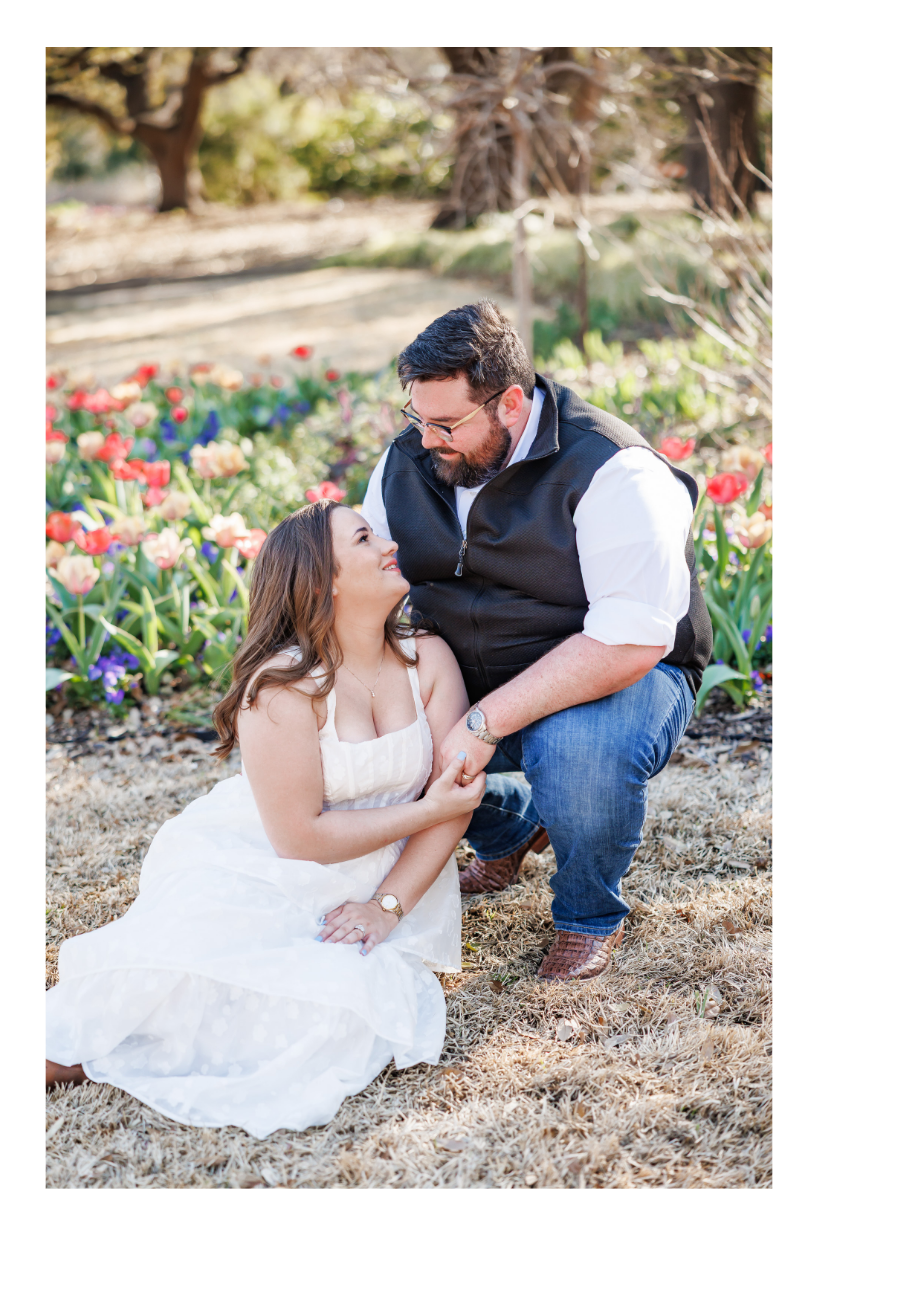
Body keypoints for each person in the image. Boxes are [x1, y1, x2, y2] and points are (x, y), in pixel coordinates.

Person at [45, 500, 484, 1137]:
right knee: (187, 968)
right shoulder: (279, 688)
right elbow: (300, 837)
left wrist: (386, 907)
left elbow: (452, 810)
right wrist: (427, 808)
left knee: (337, 1015)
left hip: (387, 879)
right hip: (270, 860)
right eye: (365, 539)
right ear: (324, 580)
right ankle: (74, 1055)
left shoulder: (429, 660)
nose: (390, 545)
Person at [360, 301, 712, 982]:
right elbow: (376, 579)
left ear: (511, 403)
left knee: (576, 752)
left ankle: (587, 916)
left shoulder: (614, 470)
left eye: (445, 423)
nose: (425, 439)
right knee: (361, 730)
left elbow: (628, 643)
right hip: (467, 672)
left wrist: (483, 721)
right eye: (416, 417)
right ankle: (510, 828)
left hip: (614, 676)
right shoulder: (411, 459)